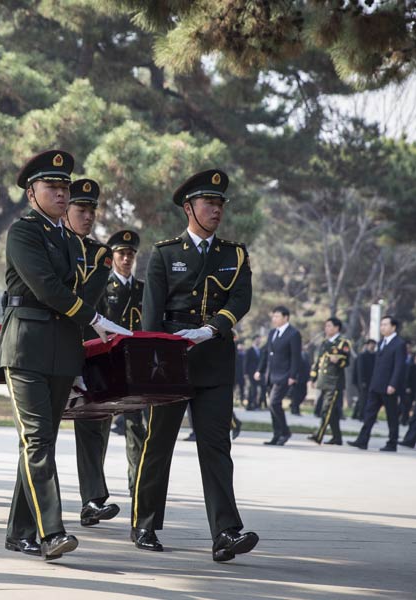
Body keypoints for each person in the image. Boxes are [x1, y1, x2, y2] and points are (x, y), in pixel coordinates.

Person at [0, 150, 128, 560]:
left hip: (61, 348)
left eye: (64, 187)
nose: (61, 193)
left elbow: (82, 290)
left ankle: (19, 531)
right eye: (52, 186)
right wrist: (94, 318)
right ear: (31, 193)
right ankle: (51, 532)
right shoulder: (23, 232)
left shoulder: (70, 241)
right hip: (25, 346)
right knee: (37, 439)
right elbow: (47, 288)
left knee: (40, 441)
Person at [131, 168, 258, 563]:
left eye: (220, 204)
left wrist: (212, 328)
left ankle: (225, 532)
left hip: (214, 359)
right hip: (170, 361)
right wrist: (150, 366)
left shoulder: (234, 254)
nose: (217, 210)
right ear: (188, 208)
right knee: (158, 444)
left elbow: (240, 299)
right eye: (209, 203)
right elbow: (151, 318)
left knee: (217, 446)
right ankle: (144, 523)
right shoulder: (165, 253)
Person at [63, 179, 120, 527]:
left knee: (94, 423)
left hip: (87, 347)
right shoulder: (46, 243)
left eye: (91, 211)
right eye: (80, 209)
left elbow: (85, 297)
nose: (87, 216)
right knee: (38, 434)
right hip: (48, 344)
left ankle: (93, 500)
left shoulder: (100, 254)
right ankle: (32, 507)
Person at [101, 229, 148, 499]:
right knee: (101, 425)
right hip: (108, 363)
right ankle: (96, 490)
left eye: (131, 254)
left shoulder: (142, 289)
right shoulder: (104, 287)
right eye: (122, 254)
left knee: (135, 425)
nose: (127, 259)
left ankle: (137, 484)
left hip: (135, 364)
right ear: (113, 256)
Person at [348, 316, 407, 452]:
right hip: (376, 385)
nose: (382, 327)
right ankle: (362, 440)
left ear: (393, 327)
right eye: (381, 325)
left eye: (385, 325)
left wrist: (393, 384)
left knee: (391, 416)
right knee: (369, 414)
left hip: (389, 386)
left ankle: (392, 443)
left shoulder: (399, 344)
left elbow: (399, 366)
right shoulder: (381, 343)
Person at [254, 306, 301, 446]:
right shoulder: (272, 332)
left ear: (286, 317)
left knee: (274, 403)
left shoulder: (293, 333)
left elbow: (296, 357)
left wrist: (292, 375)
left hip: (284, 375)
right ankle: (277, 435)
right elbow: (266, 353)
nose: (274, 319)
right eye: (273, 316)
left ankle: (285, 432)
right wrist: (259, 370)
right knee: (272, 406)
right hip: (271, 375)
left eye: (277, 316)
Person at [307, 318, 352, 445]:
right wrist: (313, 377)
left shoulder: (343, 343)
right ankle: (337, 437)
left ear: (337, 328)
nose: (326, 328)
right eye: (326, 326)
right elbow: (318, 361)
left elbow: (346, 361)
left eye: (329, 326)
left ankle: (319, 435)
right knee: (332, 411)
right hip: (324, 381)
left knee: (326, 409)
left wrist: (338, 361)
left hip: (334, 382)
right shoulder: (324, 342)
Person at [352, 339, 377, 420]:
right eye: (371, 344)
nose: (372, 346)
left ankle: (355, 414)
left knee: (363, 398)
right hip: (363, 381)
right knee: (363, 398)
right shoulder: (362, 356)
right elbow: (360, 370)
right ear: (367, 345)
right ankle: (361, 415)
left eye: (373, 345)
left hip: (371, 381)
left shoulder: (375, 356)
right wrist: (362, 381)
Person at [243, 337, 264, 410]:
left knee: (257, 390)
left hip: (258, 373)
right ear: (254, 340)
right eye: (257, 340)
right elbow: (246, 362)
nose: (259, 342)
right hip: (250, 373)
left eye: (259, 340)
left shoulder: (260, 350)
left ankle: (255, 404)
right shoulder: (249, 350)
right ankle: (251, 405)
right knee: (252, 389)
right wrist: (245, 373)